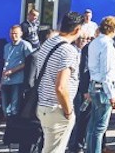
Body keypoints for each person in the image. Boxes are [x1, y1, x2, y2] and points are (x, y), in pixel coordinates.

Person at [35, 12, 83, 153]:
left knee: (49, 148)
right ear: (77, 29)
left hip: (43, 104)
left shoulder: (49, 42)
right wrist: (68, 111)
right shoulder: (68, 50)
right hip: (57, 108)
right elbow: (61, 87)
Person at [86, 16, 115, 153]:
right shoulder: (107, 44)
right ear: (113, 28)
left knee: (93, 125)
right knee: (100, 128)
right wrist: (112, 95)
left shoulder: (94, 42)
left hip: (94, 84)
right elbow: (106, 71)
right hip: (103, 88)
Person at [1, 25, 34, 117]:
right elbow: (5, 63)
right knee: (5, 107)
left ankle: (13, 127)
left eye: (15, 33)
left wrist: (13, 71)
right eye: (11, 33)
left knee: (14, 107)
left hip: (18, 80)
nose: (13, 35)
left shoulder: (25, 45)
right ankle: (8, 124)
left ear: (21, 34)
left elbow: (29, 62)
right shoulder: (7, 46)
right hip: (6, 81)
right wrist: (1, 81)